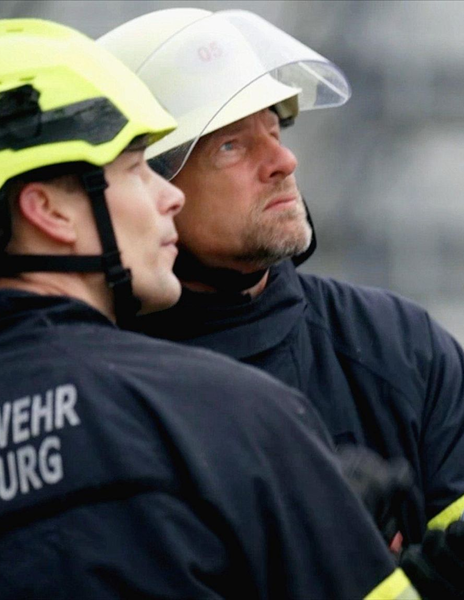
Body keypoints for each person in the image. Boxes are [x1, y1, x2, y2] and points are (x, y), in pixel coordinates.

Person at [99, 7, 464, 598]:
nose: (283, 162)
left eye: (274, 131)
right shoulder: (98, 386)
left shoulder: (392, 346)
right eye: (230, 145)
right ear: (147, 185)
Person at [0, 18, 418, 599]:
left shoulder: (387, 341)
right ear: (49, 211)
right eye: (136, 169)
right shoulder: (227, 416)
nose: (169, 195)